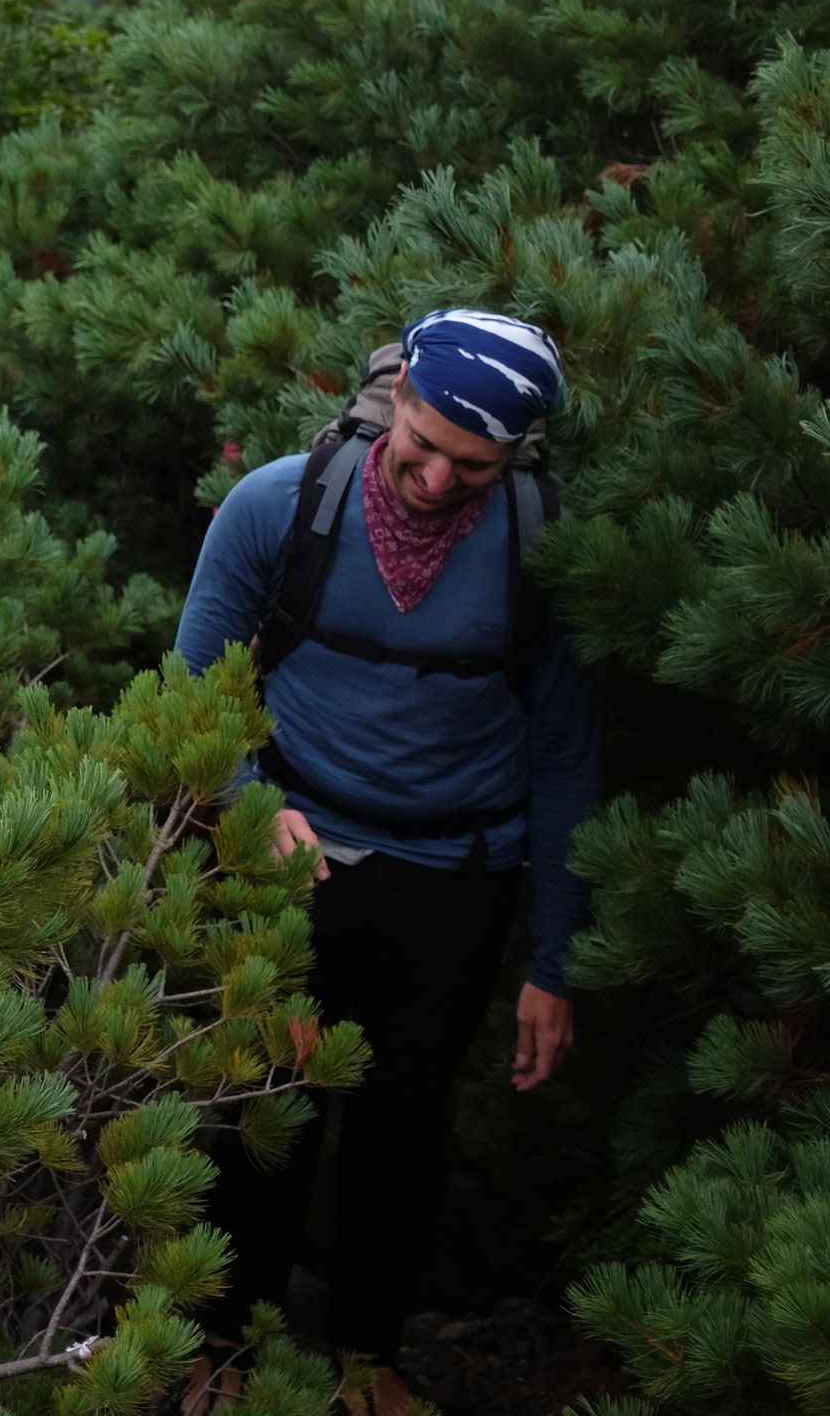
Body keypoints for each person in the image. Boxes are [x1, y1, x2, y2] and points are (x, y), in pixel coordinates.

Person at [173, 308, 599, 1413]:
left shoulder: (543, 541)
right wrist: (248, 803)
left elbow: (564, 748)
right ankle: (221, 1344)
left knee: (405, 1120)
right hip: (291, 855)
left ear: (515, 456)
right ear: (397, 388)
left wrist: (556, 955)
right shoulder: (280, 504)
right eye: (424, 439)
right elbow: (193, 693)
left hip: (457, 871)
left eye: (474, 462)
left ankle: (370, 1352)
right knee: (267, 1106)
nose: (435, 474)